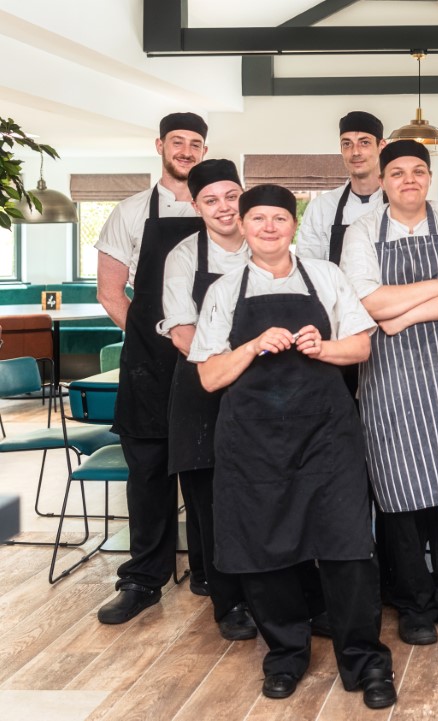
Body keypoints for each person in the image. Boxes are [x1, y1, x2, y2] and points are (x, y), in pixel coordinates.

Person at [189, 185, 395, 708]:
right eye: (258, 218)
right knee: (265, 551)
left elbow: (362, 346)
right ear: (242, 223)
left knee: (349, 550)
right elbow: (211, 377)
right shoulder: (224, 290)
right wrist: (254, 345)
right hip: (253, 443)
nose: (269, 227)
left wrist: (321, 347)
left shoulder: (325, 277)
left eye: (279, 218)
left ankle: (365, 662)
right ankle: (285, 654)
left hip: (327, 437)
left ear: (292, 224)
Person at [340, 139, 438, 646]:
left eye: (418, 171)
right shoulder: (363, 230)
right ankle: (412, 604)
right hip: (391, 383)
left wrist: (403, 314)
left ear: (429, 178)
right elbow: (365, 299)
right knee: (399, 496)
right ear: (383, 181)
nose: (409, 180)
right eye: (398, 172)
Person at [95, 112, 208, 624]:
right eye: (178, 142)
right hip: (149, 364)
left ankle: (214, 575)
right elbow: (109, 292)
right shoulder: (130, 211)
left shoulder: (221, 207)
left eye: (195, 144)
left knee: (210, 471)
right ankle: (142, 581)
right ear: (160, 145)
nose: (186, 151)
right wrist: (148, 341)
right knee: (148, 476)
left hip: (208, 358)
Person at [157, 158, 255, 640]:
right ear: (195, 206)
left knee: (259, 491)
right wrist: (239, 359)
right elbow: (181, 331)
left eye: (231, 196)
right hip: (201, 386)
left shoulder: (267, 243)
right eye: (211, 200)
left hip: (260, 390)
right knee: (209, 498)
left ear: (243, 194)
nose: (224, 208)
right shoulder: (183, 255)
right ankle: (227, 601)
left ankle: (267, 590)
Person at [297, 111, 387, 265]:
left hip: (388, 289)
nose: (355, 152)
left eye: (364, 142)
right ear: (341, 149)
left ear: (381, 146)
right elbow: (308, 267)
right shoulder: (321, 207)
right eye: (347, 144)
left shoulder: (398, 205)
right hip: (335, 289)